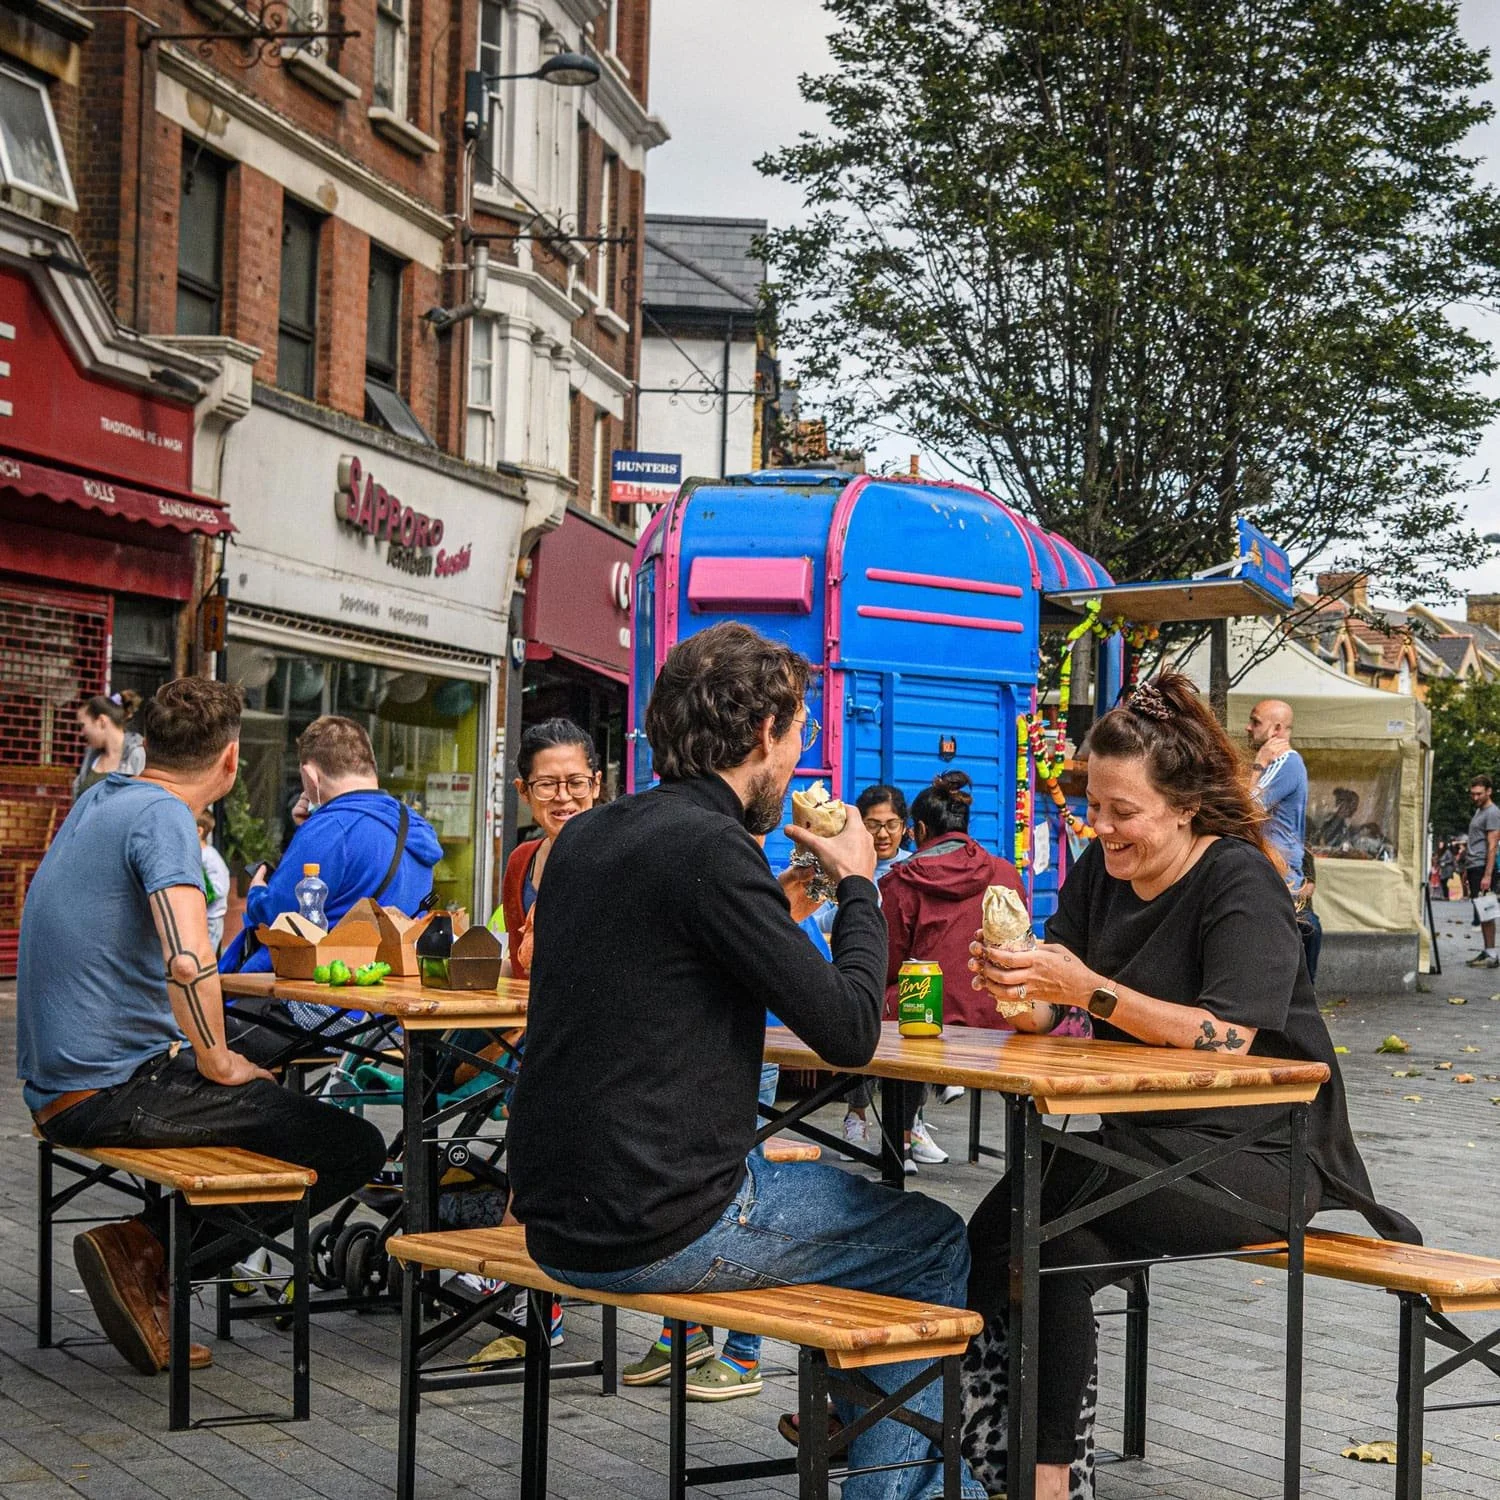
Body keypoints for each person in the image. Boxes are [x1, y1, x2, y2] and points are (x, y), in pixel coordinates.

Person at [507, 621, 986, 1500]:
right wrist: (859, 883)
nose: (800, 758)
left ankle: (869, 1437)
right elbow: (849, 1030)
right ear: (764, 733)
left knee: (858, 1229)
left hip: (552, 1213)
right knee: (929, 1242)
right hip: (658, 1224)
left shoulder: (587, 839)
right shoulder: (711, 848)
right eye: (800, 733)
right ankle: (890, 1479)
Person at [964, 674, 1417, 1500]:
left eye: (1121, 811)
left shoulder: (1239, 879)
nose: (1100, 826)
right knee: (1050, 1246)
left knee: (1031, 1204)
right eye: (1092, 804)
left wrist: (1090, 991)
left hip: (1262, 1156)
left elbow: (1229, 1036)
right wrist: (1016, 984)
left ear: (1183, 808)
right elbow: (1046, 1011)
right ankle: (1043, 1477)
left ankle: (899, 1410)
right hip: (1145, 1143)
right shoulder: (1099, 873)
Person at [16, 677, 386, 1377]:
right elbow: (187, 958)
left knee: (267, 1088)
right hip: (105, 1091)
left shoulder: (102, 797)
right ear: (230, 760)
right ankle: (143, 1252)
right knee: (349, 1144)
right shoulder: (165, 818)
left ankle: (150, 1254)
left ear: (147, 744)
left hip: (58, 1079)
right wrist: (217, 1061)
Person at [219, 715, 443, 1062]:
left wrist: (258, 892)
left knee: (200, 1037)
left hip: (323, 1011)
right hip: (389, 1019)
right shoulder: (414, 827)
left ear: (311, 776)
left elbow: (279, 917)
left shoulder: (331, 827)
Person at [876, 769, 1026, 1171]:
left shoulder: (901, 882)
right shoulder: (1005, 872)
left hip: (930, 1020)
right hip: (1001, 1016)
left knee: (893, 1000)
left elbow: (888, 964)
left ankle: (901, 1142)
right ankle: (1020, 1154)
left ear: (920, 830)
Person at [837, 785, 915, 1157]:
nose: (883, 834)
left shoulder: (915, 868)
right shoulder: (847, 864)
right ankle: (856, 1114)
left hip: (902, 973)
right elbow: (826, 914)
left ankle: (909, 1126)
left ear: (905, 827)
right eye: (872, 825)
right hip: (862, 965)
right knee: (859, 1028)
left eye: (891, 824)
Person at [502, 719, 603, 979]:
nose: (563, 796)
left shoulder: (621, 859)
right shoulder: (520, 862)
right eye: (547, 784)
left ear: (596, 784)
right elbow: (519, 965)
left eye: (576, 782)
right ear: (523, 791)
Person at [1247, 699, 1319, 979]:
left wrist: (1258, 764)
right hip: (1277, 876)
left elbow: (1244, 811)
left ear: (1276, 729)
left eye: (1256, 722)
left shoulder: (1283, 762)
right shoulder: (1282, 765)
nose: (1248, 727)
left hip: (1277, 878)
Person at [73, 691, 144, 800]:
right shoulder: (91, 756)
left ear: (102, 721)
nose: (81, 733)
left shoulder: (137, 754)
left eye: (83, 725)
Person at [1464, 774, 1500, 968]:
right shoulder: (1479, 811)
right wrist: (1467, 868)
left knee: (1486, 910)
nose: (1475, 797)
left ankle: (1492, 955)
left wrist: (1487, 875)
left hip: (1482, 867)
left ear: (1489, 791)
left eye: (1479, 794)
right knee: (1481, 909)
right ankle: (1487, 951)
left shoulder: (1492, 813)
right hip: (1474, 866)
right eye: (1473, 794)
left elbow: (1492, 846)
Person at [196, 809, 230, 955]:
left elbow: (219, 888)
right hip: (202, 918)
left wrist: (201, 898)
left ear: (199, 831)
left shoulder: (209, 857)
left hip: (211, 918)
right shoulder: (199, 854)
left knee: (206, 955)